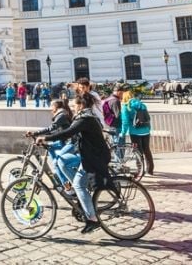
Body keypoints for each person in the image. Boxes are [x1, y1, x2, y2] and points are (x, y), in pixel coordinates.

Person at [39, 93, 111, 234]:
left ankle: (92, 219)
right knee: (62, 160)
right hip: (88, 153)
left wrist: (45, 138)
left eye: (74, 104)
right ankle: (79, 192)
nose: (72, 106)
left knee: (78, 184)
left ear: (81, 105)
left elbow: (67, 132)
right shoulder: (86, 117)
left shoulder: (85, 119)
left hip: (93, 157)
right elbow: (71, 134)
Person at [28, 99, 75, 192]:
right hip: (62, 140)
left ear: (56, 106)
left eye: (51, 106)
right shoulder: (61, 114)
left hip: (67, 141)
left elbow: (52, 128)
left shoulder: (61, 115)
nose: (50, 108)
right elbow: (56, 130)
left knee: (57, 163)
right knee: (50, 147)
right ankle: (58, 173)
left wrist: (37, 133)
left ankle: (67, 186)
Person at [120, 90, 154, 176]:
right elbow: (147, 118)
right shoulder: (142, 105)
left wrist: (123, 133)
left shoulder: (126, 107)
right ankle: (150, 170)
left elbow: (125, 122)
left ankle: (140, 170)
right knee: (147, 150)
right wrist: (148, 129)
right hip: (146, 131)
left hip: (135, 132)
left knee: (138, 152)